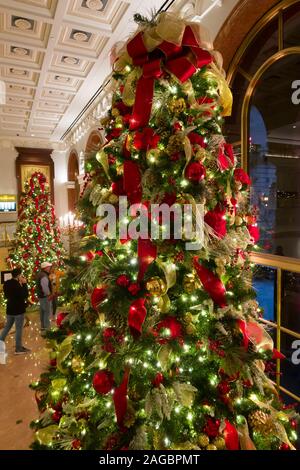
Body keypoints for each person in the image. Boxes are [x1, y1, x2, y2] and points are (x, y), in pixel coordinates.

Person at [0, 267, 30, 354]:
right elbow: (24, 295)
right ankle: (18, 349)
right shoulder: (17, 285)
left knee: (7, 327)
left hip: (9, 309)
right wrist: (24, 284)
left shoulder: (7, 283)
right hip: (18, 310)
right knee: (19, 329)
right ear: (18, 276)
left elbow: (6, 296)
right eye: (21, 275)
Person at [37, 261, 53, 332]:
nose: (50, 268)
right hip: (45, 297)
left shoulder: (40, 274)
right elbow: (45, 287)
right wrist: (49, 294)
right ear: (45, 268)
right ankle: (47, 329)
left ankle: (43, 327)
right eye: (49, 267)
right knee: (47, 313)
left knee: (42, 312)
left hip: (41, 297)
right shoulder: (44, 276)